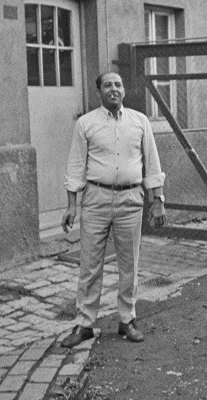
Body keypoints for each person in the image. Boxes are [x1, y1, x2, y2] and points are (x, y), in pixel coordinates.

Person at [60, 71, 166, 348]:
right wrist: (72, 204)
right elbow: (75, 165)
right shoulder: (86, 123)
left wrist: (158, 200)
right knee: (90, 264)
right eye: (108, 85)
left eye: (118, 84)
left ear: (123, 90)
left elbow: (152, 163)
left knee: (129, 263)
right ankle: (84, 324)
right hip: (95, 199)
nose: (114, 89)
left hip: (131, 200)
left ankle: (126, 320)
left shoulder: (140, 121)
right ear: (99, 92)